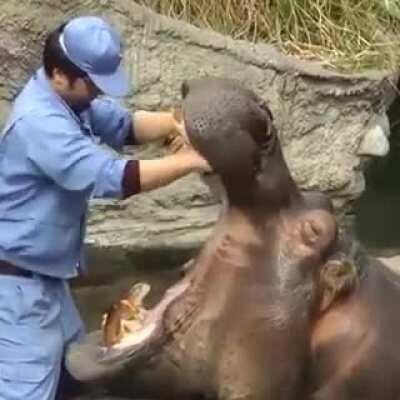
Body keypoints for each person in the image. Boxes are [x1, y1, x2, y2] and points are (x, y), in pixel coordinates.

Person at [0, 15, 210, 400]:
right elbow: (114, 177)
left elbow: (125, 126)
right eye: (93, 84)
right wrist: (193, 161)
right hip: (16, 290)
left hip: (48, 280)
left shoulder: (68, 98)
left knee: (78, 371)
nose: (99, 93)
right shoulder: (40, 123)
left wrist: (179, 124)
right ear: (61, 74)